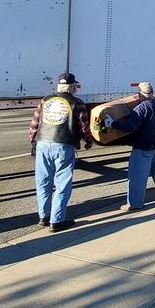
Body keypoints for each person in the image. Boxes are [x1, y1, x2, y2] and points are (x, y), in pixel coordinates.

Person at [29, 72, 92, 232]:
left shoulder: (45, 100)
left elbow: (35, 122)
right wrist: (89, 140)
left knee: (43, 182)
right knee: (62, 183)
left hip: (43, 143)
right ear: (72, 87)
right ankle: (56, 220)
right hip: (63, 145)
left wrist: (33, 140)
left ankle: (44, 216)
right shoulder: (77, 103)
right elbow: (83, 126)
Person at [105, 83, 155, 210]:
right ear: (152, 92)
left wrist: (112, 124)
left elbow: (131, 127)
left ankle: (135, 204)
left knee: (137, 175)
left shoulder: (140, 109)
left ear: (140, 94)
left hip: (144, 146)